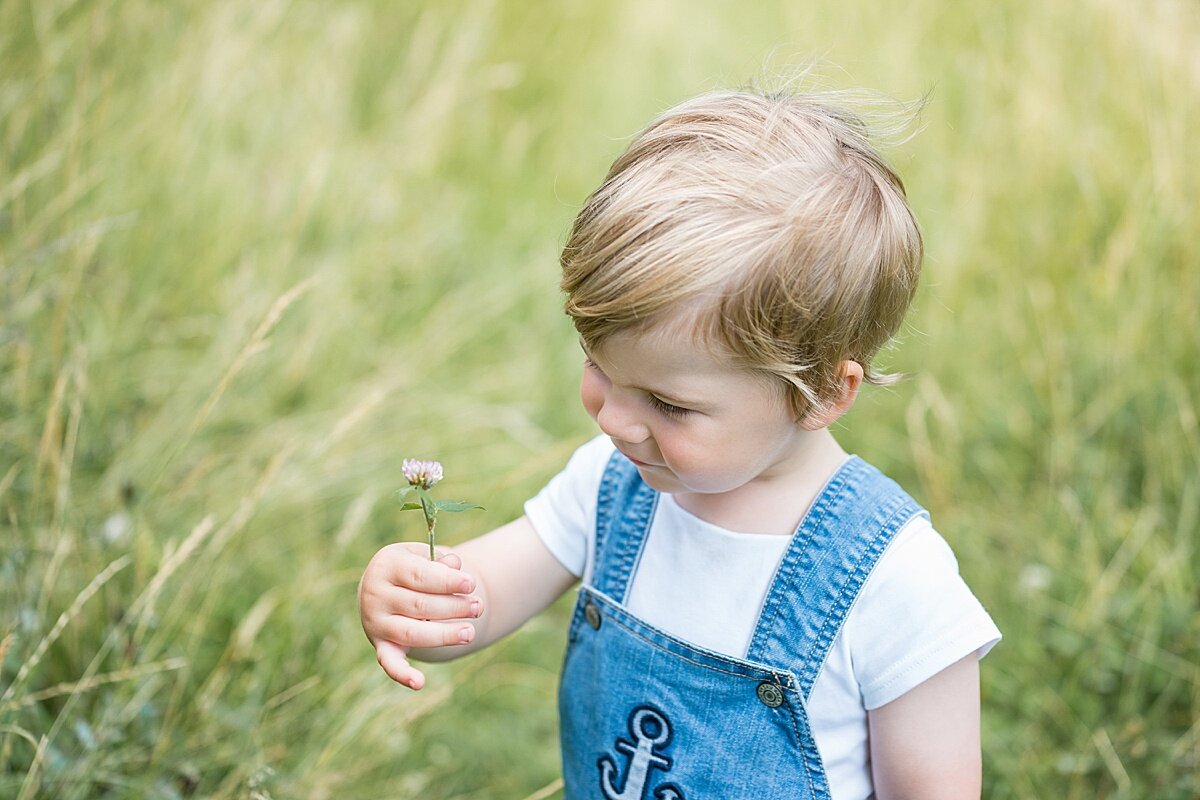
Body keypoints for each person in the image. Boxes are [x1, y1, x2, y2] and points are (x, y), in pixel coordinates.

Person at [358, 88, 1001, 799]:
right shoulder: (612, 486)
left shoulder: (894, 581)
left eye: (668, 404)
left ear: (819, 392)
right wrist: (417, 603)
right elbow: (479, 601)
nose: (615, 422)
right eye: (600, 367)